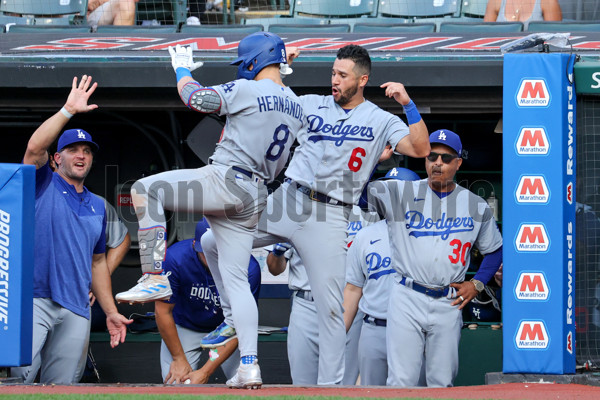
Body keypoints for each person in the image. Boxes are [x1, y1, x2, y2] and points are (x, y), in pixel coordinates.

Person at [202, 44, 430, 385]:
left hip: (331, 213)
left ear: (362, 79)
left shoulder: (381, 119)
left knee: (332, 310)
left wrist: (407, 105)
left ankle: (330, 388)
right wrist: (279, 68)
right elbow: (270, 101)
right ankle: (232, 317)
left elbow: (421, 149)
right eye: (333, 73)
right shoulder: (309, 103)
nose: (334, 80)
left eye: (342, 75)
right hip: (289, 198)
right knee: (211, 240)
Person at [115, 32, 304, 389]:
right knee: (232, 276)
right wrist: (282, 67)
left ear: (254, 60)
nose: (242, 69)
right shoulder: (296, 103)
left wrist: (182, 71)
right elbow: (274, 96)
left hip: (227, 178)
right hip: (256, 193)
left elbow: (196, 98)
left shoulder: (249, 89)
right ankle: (249, 364)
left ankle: (154, 275)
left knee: (144, 189)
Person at [12, 75, 132, 384]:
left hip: (76, 306)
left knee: (63, 386)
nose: (81, 156)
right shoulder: (42, 183)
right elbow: (34, 147)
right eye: (73, 150)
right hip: (33, 300)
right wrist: (68, 110)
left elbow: (98, 264)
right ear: (57, 158)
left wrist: (109, 310)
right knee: (17, 382)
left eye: (87, 151)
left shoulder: (97, 205)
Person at [367, 129, 503, 387]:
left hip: (448, 301)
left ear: (458, 163)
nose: (437, 162)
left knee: (442, 382)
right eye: (432, 157)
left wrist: (477, 284)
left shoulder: (475, 204)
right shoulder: (401, 193)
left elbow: (495, 249)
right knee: (400, 381)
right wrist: (375, 160)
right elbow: (360, 195)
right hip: (407, 295)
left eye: (445, 157)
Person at [265, 206, 377, 385]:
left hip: (346, 304)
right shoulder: (295, 211)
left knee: (344, 384)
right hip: (307, 304)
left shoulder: (363, 213)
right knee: (303, 384)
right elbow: (274, 269)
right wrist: (277, 252)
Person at [155, 218, 261, 384]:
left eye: (222, 250)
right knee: (177, 384)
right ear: (196, 246)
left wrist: (205, 371)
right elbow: (162, 311)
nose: (216, 256)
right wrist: (179, 359)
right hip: (186, 326)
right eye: (209, 251)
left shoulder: (249, 267)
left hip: (228, 330)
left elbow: (242, 322)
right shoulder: (175, 258)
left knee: (245, 381)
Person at [343, 167, 421, 386]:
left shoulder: (430, 233)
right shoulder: (365, 236)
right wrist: (339, 335)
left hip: (413, 330)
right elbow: (352, 290)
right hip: (373, 328)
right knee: (370, 392)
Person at [483, 0, 562, 23]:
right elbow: (484, 36)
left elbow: (554, 42)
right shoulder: (495, 2)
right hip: (502, 59)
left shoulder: (548, 2)